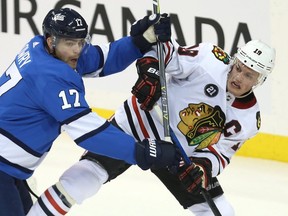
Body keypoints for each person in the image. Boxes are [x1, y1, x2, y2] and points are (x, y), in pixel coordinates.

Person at [27, 37, 276, 215]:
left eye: (248, 75)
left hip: (180, 155)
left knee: (221, 211)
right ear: (234, 60)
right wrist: (151, 72)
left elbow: (221, 152)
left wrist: (202, 167)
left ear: (260, 80)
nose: (237, 78)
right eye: (238, 68)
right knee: (82, 180)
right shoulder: (209, 59)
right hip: (134, 126)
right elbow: (165, 51)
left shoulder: (247, 119)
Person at [0, 7, 181, 216]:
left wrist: (139, 41)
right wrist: (144, 152)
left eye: (80, 41)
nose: (77, 49)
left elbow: (100, 58)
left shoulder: (43, 48)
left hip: (10, 168)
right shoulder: (49, 76)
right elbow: (90, 133)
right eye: (70, 43)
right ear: (51, 41)